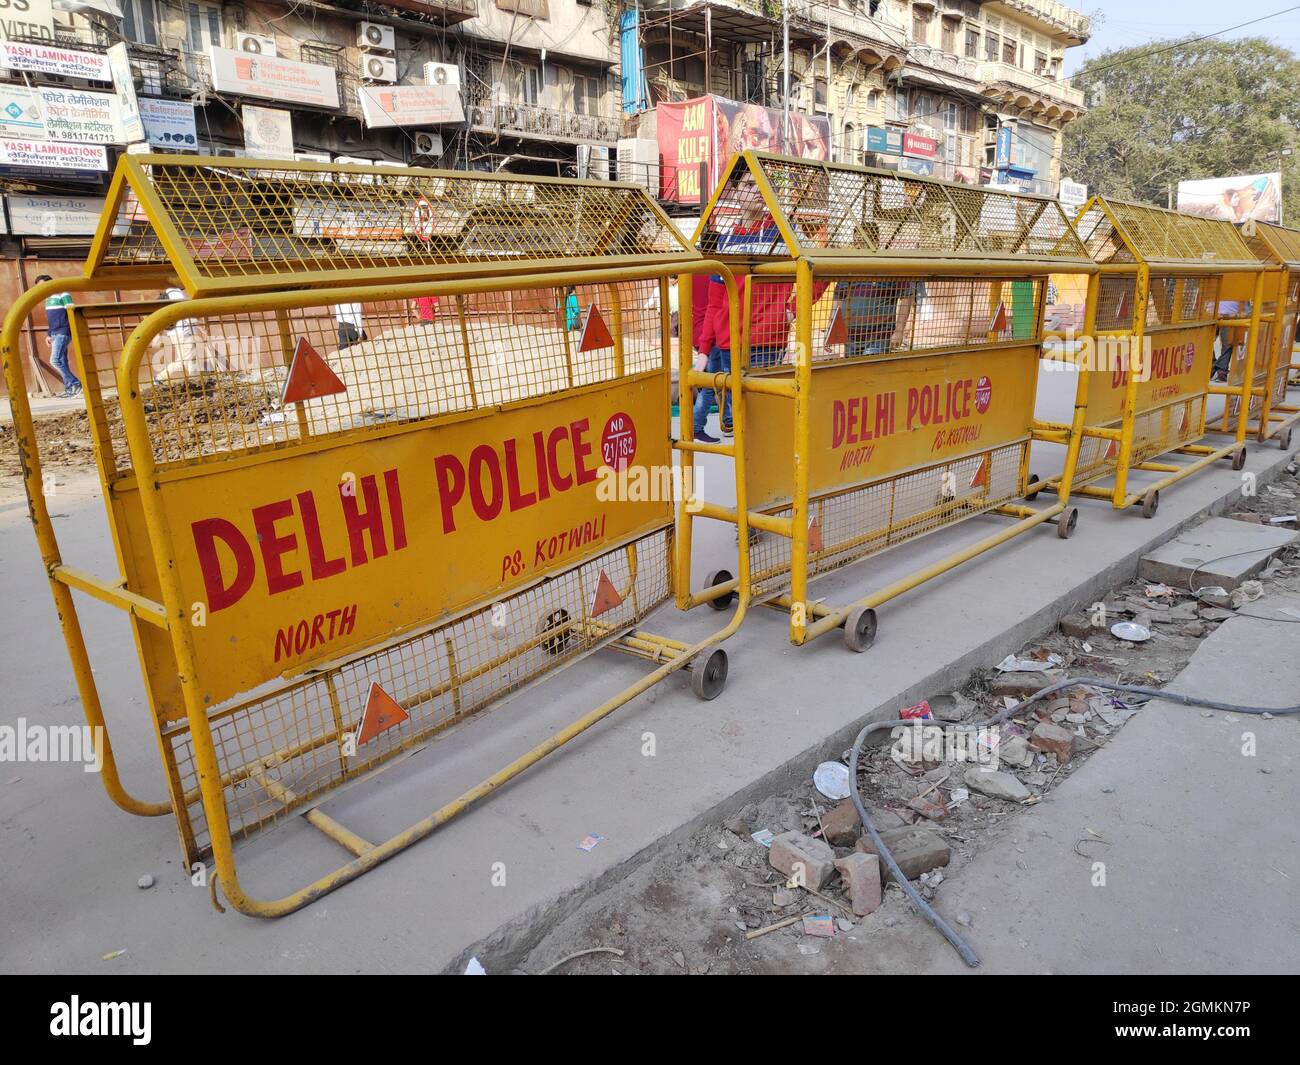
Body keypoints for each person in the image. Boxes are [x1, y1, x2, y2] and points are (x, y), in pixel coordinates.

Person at [834, 277, 925, 357]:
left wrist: (899, 331)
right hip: (850, 337)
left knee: (872, 371)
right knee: (852, 372)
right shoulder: (848, 269)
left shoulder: (890, 269)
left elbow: (906, 296)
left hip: (878, 336)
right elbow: (838, 299)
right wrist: (832, 330)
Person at [34, 276, 80, 397]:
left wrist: (70, 331)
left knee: (54, 360)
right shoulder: (48, 300)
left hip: (63, 332)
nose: (40, 289)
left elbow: (72, 313)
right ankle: (70, 389)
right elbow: (52, 321)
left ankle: (75, 383)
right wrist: (48, 335)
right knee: (62, 362)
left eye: (42, 285)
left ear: (50, 284)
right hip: (54, 334)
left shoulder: (63, 295)